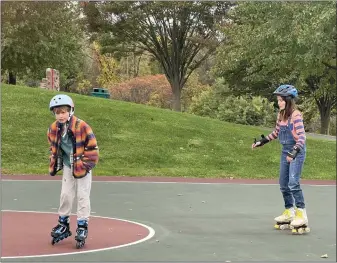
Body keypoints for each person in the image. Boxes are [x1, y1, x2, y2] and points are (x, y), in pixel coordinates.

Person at [252, 85, 308, 230]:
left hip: (297, 151)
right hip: (285, 152)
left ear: (288, 100)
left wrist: (294, 151)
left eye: (280, 100)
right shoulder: (281, 115)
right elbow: (276, 132)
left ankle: (301, 213)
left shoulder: (296, 115)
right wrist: (262, 142)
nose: (279, 103)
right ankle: (289, 211)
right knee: (283, 184)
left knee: (293, 183)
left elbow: (302, 137)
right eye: (278, 100)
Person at [47, 94, 99, 248]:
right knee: (65, 194)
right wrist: (56, 162)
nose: (60, 115)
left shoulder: (82, 126)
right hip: (69, 166)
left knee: (83, 195)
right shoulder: (53, 129)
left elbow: (93, 148)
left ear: (71, 111)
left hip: (83, 165)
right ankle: (63, 223)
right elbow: (54, 148)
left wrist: (86, 165)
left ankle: (82, 226)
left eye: (63, 112)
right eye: (57, 112)